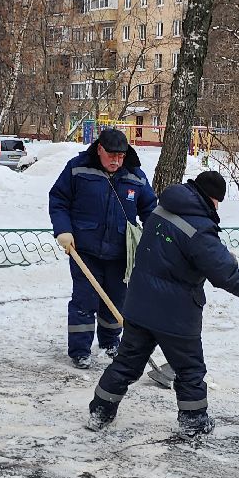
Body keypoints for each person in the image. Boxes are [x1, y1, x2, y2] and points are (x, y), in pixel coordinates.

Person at [87, 170, 239, 437]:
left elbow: (178, 252)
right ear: (210, 197)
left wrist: (218, 256)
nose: (217, 207)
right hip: (175, 314)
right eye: (217, 201)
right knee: (189, 369)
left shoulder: (162, 210)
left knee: (126, 363)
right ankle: (194, 422)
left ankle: (100, 412)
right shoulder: (198, 226)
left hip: (139, 305)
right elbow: (223, 272)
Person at [48, 128, 156, 367]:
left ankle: (110, 343)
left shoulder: (135, 176)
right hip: (84, 250)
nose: (116, 161)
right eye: (111, 155)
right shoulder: (78, 168)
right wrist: (63, 230)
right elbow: (58, 200)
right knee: (84, 301)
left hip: (120, 253)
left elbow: (150, 210)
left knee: (115, 301)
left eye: (121, 156)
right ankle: (80, 351)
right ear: (99, 149)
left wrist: (156, 239)